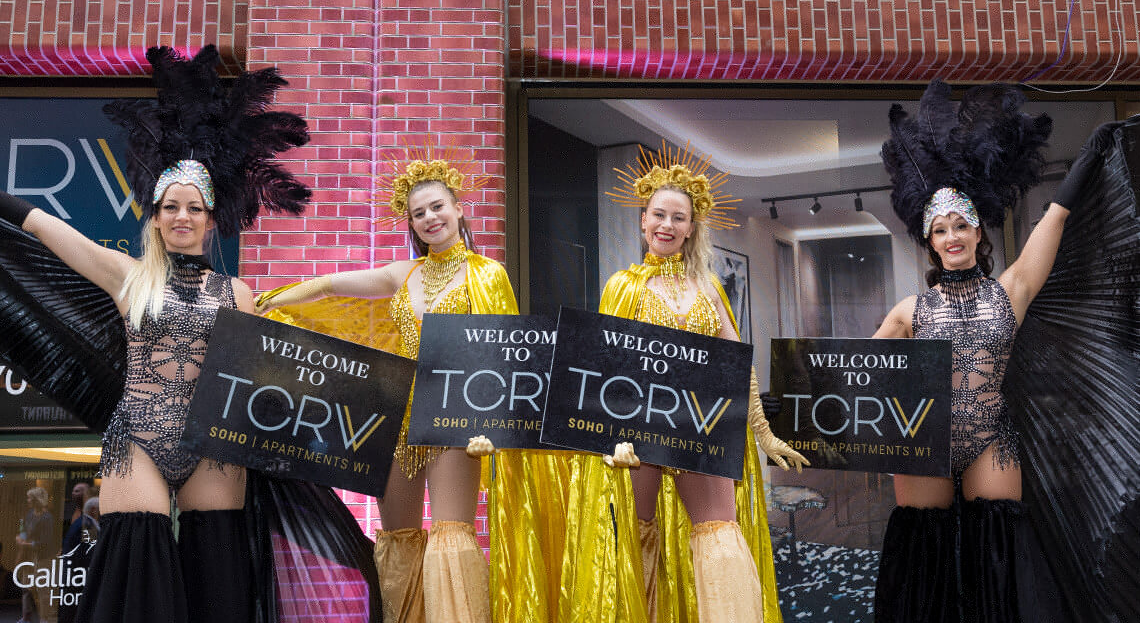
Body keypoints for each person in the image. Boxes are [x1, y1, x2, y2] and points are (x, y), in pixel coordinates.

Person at [0, 45, 312, 623]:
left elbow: (265, 381)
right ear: (156, 216)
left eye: (193, 207)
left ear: (212, 218)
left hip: (214, 447)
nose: (181, 217)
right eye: (170, 207)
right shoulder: (128, 277)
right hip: (138, 435)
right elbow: (50, 230)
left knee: (217, 582)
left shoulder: (240, 295)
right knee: (134, 577)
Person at [257, 147, 562, 622]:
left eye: (437, 206)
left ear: (460, 209)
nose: (429, 218)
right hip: (398, 415)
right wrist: (268, 302)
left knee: (450, 534)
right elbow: (329, 287)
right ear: (412, 224)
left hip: (455, 418)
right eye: (418, 213)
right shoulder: (404, 273)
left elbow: (502, 354)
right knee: (397, 538)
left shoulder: (488, 274)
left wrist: (490, 423)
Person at [558, 141, 809, 622]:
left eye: (678, 217)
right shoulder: (623, 285)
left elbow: (738, 366)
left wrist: (762, 431)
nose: (666, 226)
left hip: (699, 428)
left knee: (720, 533)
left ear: (692, 227)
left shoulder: (709, 287)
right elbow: (603, 368)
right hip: (639, 433)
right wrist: (611, 438)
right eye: (658, 215)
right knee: (635, 539)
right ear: (642, 220)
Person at [872, 80, 1069, 622]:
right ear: (929, 240)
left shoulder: (1010, 291)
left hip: (990, 437)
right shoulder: (908, 311)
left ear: (980, 229)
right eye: (940, 229)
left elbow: (1051, 224)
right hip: (922, 442)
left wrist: (1089, 163)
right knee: (924, 563)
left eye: (961, 224)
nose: (952, 235)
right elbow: (848, 377)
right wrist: (781, 407)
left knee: (998, 557)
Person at [16, 487, 54, 623]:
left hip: (42, 558)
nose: (28, 501)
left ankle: (46, 618)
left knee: (43, 590)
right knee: (26, 587)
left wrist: (26, 544)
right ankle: (26, 617)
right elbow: (25, 530)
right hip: (29, 558)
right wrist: (21, 537)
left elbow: (46, 541)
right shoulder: (31, 514)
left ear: (37, 500)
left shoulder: (47, 518)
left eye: (30, 498)